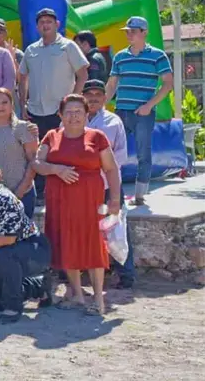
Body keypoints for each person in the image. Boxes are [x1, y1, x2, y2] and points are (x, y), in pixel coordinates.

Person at [34, 94, 122, 316]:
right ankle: (77, 295)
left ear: (86, 114)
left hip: (89, 201)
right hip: (59, 200)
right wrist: (56, 170)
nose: (73, 117)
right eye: (69, 112)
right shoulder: (51, 136)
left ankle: (98, 299)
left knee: (93, 245)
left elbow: (111, 169)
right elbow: (37, 163)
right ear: (60, 115)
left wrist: (115, 199)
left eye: (78, 112)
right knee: (66, 243)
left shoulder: (97, 137)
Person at [0, 153, 52, 323]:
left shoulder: (7, 199)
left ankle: (13, 308)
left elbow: (9, 238)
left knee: (4, 254)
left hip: (32, 249)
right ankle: (38, 286)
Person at [106, 16, 174, 205]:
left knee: (144, 153)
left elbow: (168, 84)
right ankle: (112, 194)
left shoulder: (158, 56)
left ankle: (139, 196)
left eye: (133, 31)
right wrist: (101, 105)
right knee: (110, 151)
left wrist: (149, 106)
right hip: (120, 112)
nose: (129, 34)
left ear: (144, 32)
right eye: (127, 31)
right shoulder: (120, 57)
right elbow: (111, 84)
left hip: (143, 114)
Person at [83, 79, 134, 288]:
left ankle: (126, 274)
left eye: (98, 95)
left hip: (108, 185)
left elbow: (121, 155)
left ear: (105, 98)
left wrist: (100, 168)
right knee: (83, 227)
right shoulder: (73, 119)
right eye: (89, 94)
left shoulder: (114, 122)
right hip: (82, 186)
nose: (93, 98)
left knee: (116, 228)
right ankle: (81, 269)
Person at [18, 7, 89, 144]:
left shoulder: (68, 46)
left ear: (57, 24)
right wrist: (22, 105)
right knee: (38, 151)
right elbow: (22, 77)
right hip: (34, 112)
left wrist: (70, 102)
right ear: (37, 27)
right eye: (42, 22)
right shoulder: (31, 50)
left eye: (49, 21)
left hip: (60, 112)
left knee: (62, 149)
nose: (45, 25)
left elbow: (83, 75)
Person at [0, 88, 39, 218]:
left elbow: (33, 161)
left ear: (12, 104)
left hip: (22, 193)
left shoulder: (23, 128)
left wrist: (20, 192)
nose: (0, 106)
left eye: (4, 102)